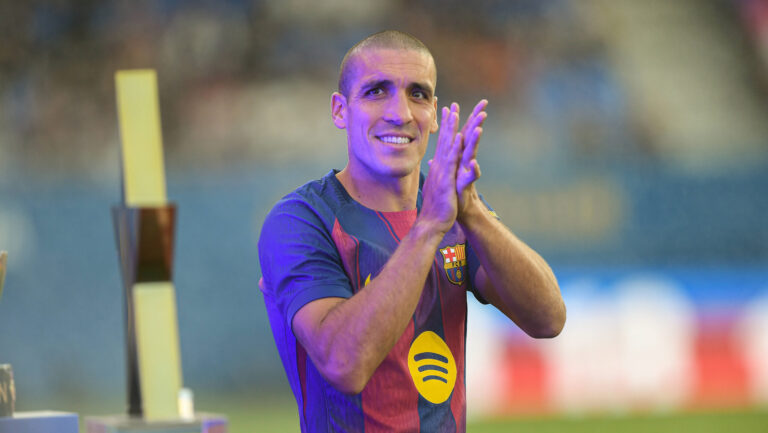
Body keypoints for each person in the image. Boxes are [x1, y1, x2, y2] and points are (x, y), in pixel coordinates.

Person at [258, 30, 566, 433]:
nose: (400, 113)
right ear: (340, 110)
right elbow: (344, 364)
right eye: (376, 92)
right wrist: (427, 229)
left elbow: (548, 319)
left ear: (435, 114)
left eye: (418, 94)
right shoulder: (300, 220)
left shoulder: (453, 209)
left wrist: (471, 211)